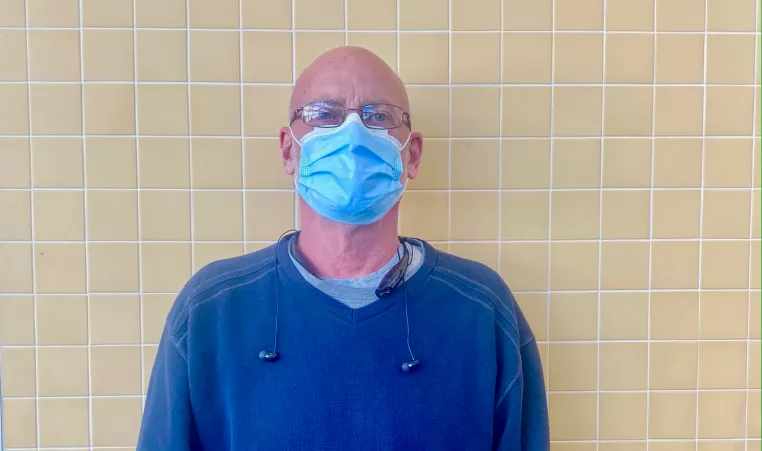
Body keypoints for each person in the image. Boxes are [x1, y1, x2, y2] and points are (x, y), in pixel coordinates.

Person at [137, 46, 549, 450]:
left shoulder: (480, 310)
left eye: (378, 116)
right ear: (288, 150)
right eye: (324, 115)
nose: (352, 135)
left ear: (413, 155)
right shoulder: (213, 311)